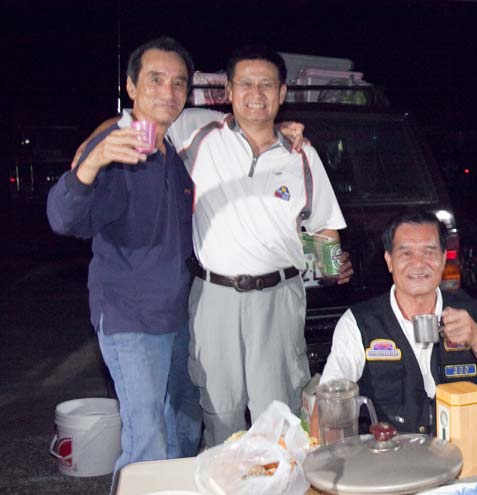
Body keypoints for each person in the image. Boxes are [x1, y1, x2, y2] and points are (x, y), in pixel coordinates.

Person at [166, 45, 350, 446]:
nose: (256, 93)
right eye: (245, 83)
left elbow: (323, 228)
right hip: (214, 296)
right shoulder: (197, 131)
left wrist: (332, 268)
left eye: (266, 84)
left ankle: (279, 484)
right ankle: (224, 483)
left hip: (278, 298)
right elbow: (140, 123)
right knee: (219, 411)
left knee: (278, 412)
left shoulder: (302, 154)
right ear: (229, 90)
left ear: (281, 93)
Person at [46, 37, 202, 472]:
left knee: (184, 428)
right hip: (131, 317)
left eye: (178, 83)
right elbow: (62, 218)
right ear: (131, 87)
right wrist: (92, 162)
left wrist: (286, 128)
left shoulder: (173, 147)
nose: (167, 92)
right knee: (146, 440)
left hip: (178, 314)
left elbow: (241, 119)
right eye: (155, 79)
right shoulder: (115, 146)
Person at [320, 211, 477, 433]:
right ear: (389, 261)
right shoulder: (360, 322)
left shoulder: (470, 314)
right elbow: (328, 403)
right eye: (406, 253)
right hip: (390, 451)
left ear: (443, 258)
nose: (418, 263)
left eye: (429, 252)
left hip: (463, 447)